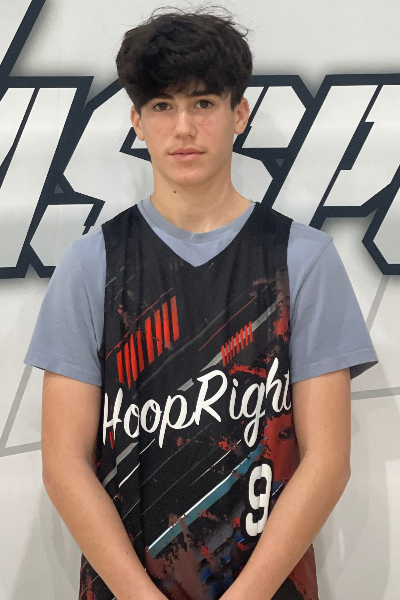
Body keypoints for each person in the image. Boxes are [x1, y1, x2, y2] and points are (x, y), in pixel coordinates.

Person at [24, 6, 378, 600]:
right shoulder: (91, 264)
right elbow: (64, 464)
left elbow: (327, 463)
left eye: (204, 102)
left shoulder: (303, 259)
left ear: (239, 114)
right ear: (137, 121)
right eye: (163, 106)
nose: (183, 127)